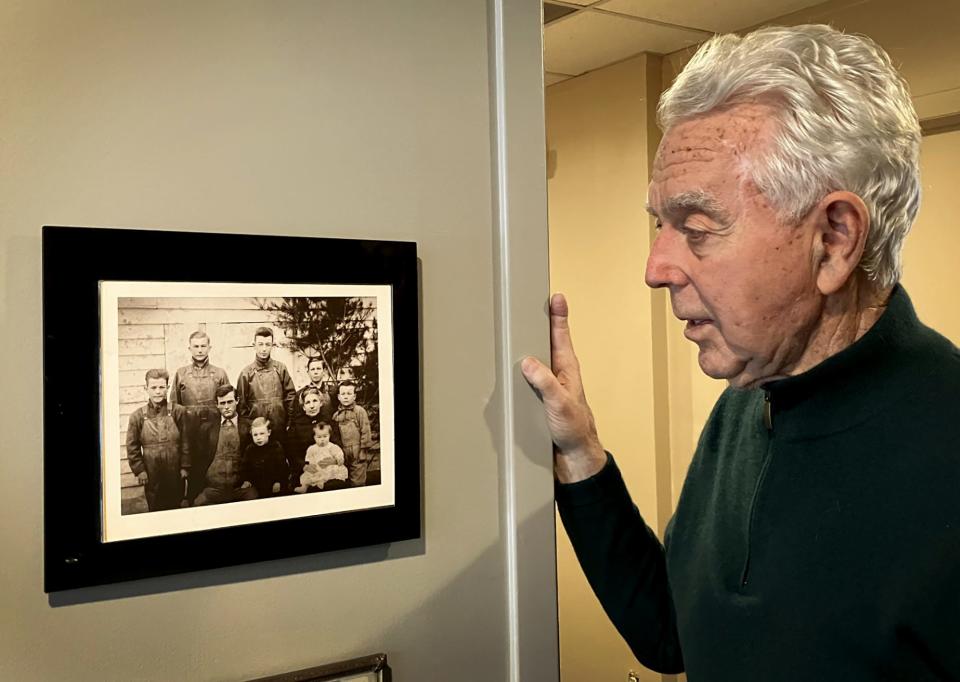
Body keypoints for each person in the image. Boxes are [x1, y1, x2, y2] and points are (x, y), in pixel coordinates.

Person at [521, 24, 960, 681]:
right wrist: (582, 454)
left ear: (834, 240)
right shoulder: (743, 407)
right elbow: (672, 633)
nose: (656, 266)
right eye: (658, 225)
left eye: (696, 228)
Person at [168, 330, 230, 501]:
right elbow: (174, 405)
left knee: (213, 466)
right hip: (189, 430)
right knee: (193, 469)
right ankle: (194, 502)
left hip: (213, 429)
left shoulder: (219, 374)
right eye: (196, 346)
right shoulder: (181, 374)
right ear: (189, 348)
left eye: (203, 346)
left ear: (210, 348)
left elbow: (228, 403)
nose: (200, 350)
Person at [125, 369, 191, 511]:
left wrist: (185, 466)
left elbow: (186, 441)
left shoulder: (178, 411)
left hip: (174, 467)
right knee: (155, 504)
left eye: (161, 387)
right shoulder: (137, 416)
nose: (157, 391)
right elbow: (132, 447)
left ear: (167, 388)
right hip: (151, 469)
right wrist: (140, 470)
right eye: (153, 387)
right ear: (146, 389)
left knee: (176, 503)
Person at [193, 384, 258, 506]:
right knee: (198, 506)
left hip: (241, 487)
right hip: (214, 488)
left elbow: (256, 457)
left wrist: (250, 480)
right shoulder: (207, 428)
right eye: (222, 403)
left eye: (230, 402)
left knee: (256, 504)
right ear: (217, 404)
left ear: (237, 401)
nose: (226, 407)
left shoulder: (248, 427)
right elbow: (199, 461)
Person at [236, 327, 296, 433]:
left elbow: (290, 397)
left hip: (279, 426)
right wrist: (249, 427)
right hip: (256, 431)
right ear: (254, 345)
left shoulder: (280, 369)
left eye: (267, 344)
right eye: (260, 344)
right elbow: (241, 406)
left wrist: (289, 422)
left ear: (272, 346)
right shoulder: (246, 373)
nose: (264, 349)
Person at [285, 386, 343, 490]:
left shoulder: (329, 422)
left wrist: (333, 461)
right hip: (306, 470)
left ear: (321, 403)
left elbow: (338, 446)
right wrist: (304, 466)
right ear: (303, 407)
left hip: (328, 467)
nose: (312, 406)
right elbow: (291, 453)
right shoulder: (296, 425)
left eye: (315, 401)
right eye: (308, 402)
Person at [332, 381, 373, 487]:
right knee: (343, 478)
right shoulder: (336, 415)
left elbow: (366, 431)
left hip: (357, 451)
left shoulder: (359, 411)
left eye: (349, 394)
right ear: (338, 397)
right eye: (343, 394)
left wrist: (363, 450)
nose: (346, 397)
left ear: (354, 396)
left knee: (357, 481)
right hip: (342, 451)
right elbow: (333, 435)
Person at [294, 422, 348, 493]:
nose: (322, 439)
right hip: (317, 468)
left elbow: (339, 454)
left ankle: (326, 484)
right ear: (314, 437)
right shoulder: (312, 448)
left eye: (325, 436)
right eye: (319, 437)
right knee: (307, 476)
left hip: (330, 467)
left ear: (329, 435)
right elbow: (309, 458)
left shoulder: (332, 447)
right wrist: (309, 465)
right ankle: (304, 487)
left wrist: (338, 459)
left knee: (334, 473)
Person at [241, 417, 287, 499]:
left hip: (273, 483)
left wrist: (278, 481)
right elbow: (245, 467)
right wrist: (246, 480)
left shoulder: (276, 447)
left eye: (262, 433)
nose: (258, 437)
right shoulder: (250, 449)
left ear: (269, 432)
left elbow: (282, 468)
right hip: (256, 484)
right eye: (255, 435)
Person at [293, 356, 336, 421]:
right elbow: (296, 418)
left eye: (318, 368)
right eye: (312, 369)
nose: (315, 372)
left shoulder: (333, 391)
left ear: (324, 371)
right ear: (308, 372)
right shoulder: (300, 394)